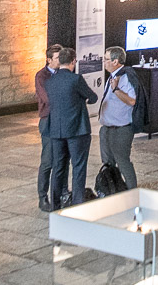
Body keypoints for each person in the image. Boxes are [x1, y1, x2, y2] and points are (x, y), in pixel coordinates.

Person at [45, 46, 97, 206]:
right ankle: (77, 202)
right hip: (76, 130)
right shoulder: (76, 80)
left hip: (56, 130)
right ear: (73, 61)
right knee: (78, 167)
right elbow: (92, 97)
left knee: (58, 167)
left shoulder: (50, 82)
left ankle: (55, 203)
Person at [99, 46, 139, 189]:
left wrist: (116, 89)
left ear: (115, 61)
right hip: (107, 128)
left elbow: (132, 101)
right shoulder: (113, 76)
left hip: (121, 129)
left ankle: (132, 192)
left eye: (106, 59)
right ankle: (112, 190)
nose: (103, 62)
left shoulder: (125, 77)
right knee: (107, 163)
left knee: (122, 161)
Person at [34, 44, 61, 211]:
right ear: (49, 60)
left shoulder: (64, 73)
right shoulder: (42, 76)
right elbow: (46, 97)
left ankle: (59, 193)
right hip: (49, 119)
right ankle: (42, 197)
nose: (61, 61)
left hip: (62, 119)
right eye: (58, 58)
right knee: (48, 160)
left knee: (61, 160)